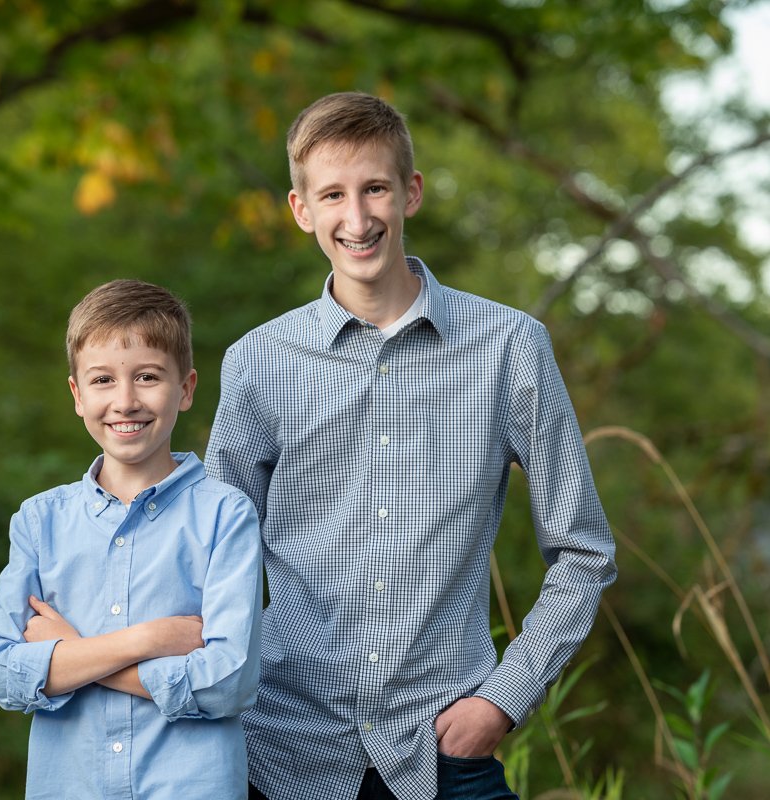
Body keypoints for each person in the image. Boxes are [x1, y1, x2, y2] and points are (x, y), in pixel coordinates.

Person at [204, 92, 617, 800]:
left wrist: (502, 700)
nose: (357, 219)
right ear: (302, 210)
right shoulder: (257, 362)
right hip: (278, 755)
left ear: (411, 193)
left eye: (375, 189)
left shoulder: (510, 347)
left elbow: (584, 551)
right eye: (332, 194)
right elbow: (210, 562)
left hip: (441, 754)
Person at [0, 279, 263, 800]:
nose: (125, 401)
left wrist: (71, 657)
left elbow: (227, 683)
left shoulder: (226, 515)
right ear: (77, 395)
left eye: (148, 377)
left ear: (187, 388)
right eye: (103, 380)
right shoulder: (41, 521)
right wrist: (149, 641)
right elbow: (2, 672)